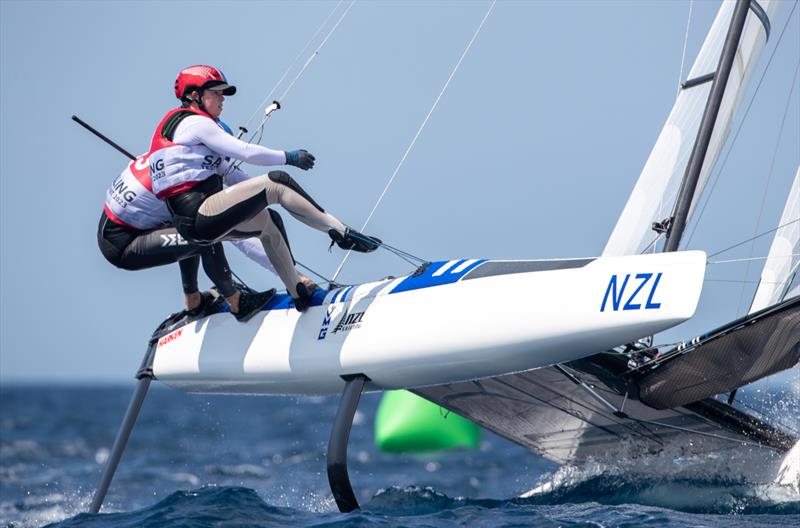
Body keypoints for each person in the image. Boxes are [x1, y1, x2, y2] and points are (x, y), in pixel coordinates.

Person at [149, 65, 381, 311]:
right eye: (215, 92)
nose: (222, 99)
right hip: (197, 215)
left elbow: (240, 180)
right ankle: (342, 232)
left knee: (268, 223)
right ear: (194, 96)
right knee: (277, 181)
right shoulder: (193, 123)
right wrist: (288, 157)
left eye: (223, 94)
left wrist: (261, 196)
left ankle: (299, 292)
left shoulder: (192, 141)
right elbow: (245, 152)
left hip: (197, 225)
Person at [98, 153, 278, 321]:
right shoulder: (182, 178)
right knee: (206, 236)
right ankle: (237, 303)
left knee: (190, 228)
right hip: (124, 244)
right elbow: (238, 237)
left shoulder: (170, 156)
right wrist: (290, 273)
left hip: (113, 229)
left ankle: (193, 301)